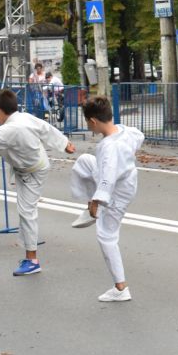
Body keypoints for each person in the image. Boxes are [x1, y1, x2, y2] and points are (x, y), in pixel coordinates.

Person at [0, 88, 75, 276]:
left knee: (27, 213)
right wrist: (64, 143)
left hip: (32, 171)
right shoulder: (24, 118)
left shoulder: (11, 129)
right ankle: (30, 256)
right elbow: (45, 128)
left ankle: (32, 260)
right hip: (30, 162)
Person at [68, 95, 145, 302]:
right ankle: (89, 208)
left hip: (118, 191)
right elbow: (139, 136)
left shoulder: (109, 147)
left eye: (87, 122)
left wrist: (97, 201)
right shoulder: (125, 130)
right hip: (126, 180)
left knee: (106, 235)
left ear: (93, 121)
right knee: (84, 162)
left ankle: (120, 288)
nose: (88, 125)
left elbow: (108, 177)